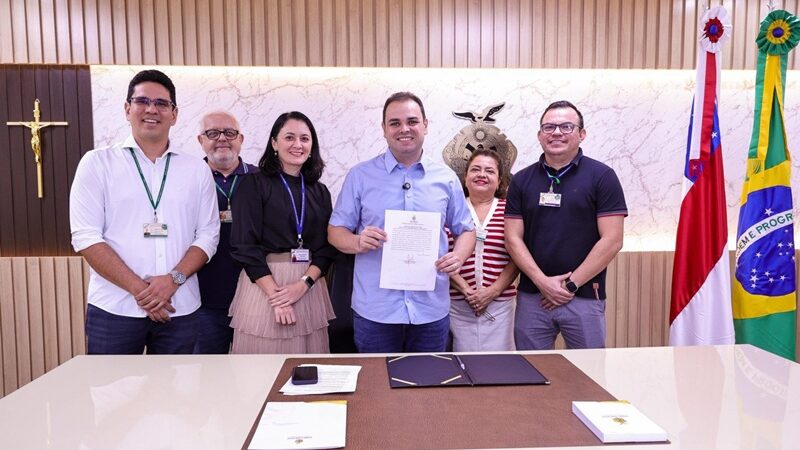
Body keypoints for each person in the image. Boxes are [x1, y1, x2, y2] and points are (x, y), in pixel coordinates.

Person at [70, 69, 219, 354]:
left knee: (178, 397)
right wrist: (143, 291)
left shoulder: (196, 169)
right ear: (127, 109)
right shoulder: (97, 164)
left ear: (174, 114)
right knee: (111, 396)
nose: (152, 109)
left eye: (162, 103)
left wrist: (172, 281)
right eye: (142, 101)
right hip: (115, 309)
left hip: (181, 308)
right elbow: (86, 237)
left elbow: (209, 235)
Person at [328, 92, 476, 353]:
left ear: (425, 125)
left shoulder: (446, 178)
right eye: (394, 123)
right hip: (376, 311)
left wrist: (459, 257)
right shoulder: (360, 176)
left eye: (412, 121)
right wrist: (357, 241)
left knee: (429, 387)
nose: (404, 129)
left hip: (430, 309)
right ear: (384, 129)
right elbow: (335, 231)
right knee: (376, 389)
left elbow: (465, 230)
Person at [505, 100, 627, 350]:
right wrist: (543, 283)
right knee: (532, 375)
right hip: (532, 297)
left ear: (582, 134)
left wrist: (569, 285)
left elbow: (612, 240)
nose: (557, 133)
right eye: (549, 127)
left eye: (566, 127)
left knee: (589, 376)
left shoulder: (602, 176)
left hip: (582, 297)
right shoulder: (521, 180)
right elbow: (512, 238)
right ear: (540, 135)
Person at [228, 111, 337, 353]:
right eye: (289, 137)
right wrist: (276, 297)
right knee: (261, 373)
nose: (298, 145)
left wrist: (303, 284)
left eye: (305, 139)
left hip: (308, 286)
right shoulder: (253, 185)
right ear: (274, 143)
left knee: (309, 370)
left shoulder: (320, 191)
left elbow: (327, 247)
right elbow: (244, 246)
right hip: (265, 286)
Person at [194, 111, 258, 354]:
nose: (222, 138)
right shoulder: (188, 178)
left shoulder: (261, 179)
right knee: (207, 377)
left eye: (229, 133)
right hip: (203, 300)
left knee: (255, 377)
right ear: (200, 140)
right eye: (212, 133)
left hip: (254, 297)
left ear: (241, 138)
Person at [448, 149, 518, 351]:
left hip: (501, 306)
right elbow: (441, 254)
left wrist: (492, 291)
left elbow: (518, 256)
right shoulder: (452, 209)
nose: (481, 175)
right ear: (465, 177)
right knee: (460, 367)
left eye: (489, 171)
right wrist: (467, 290)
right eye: (475, 169)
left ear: (499, 180)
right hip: (458, 305)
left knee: (500, 369)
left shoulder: (510, 211)